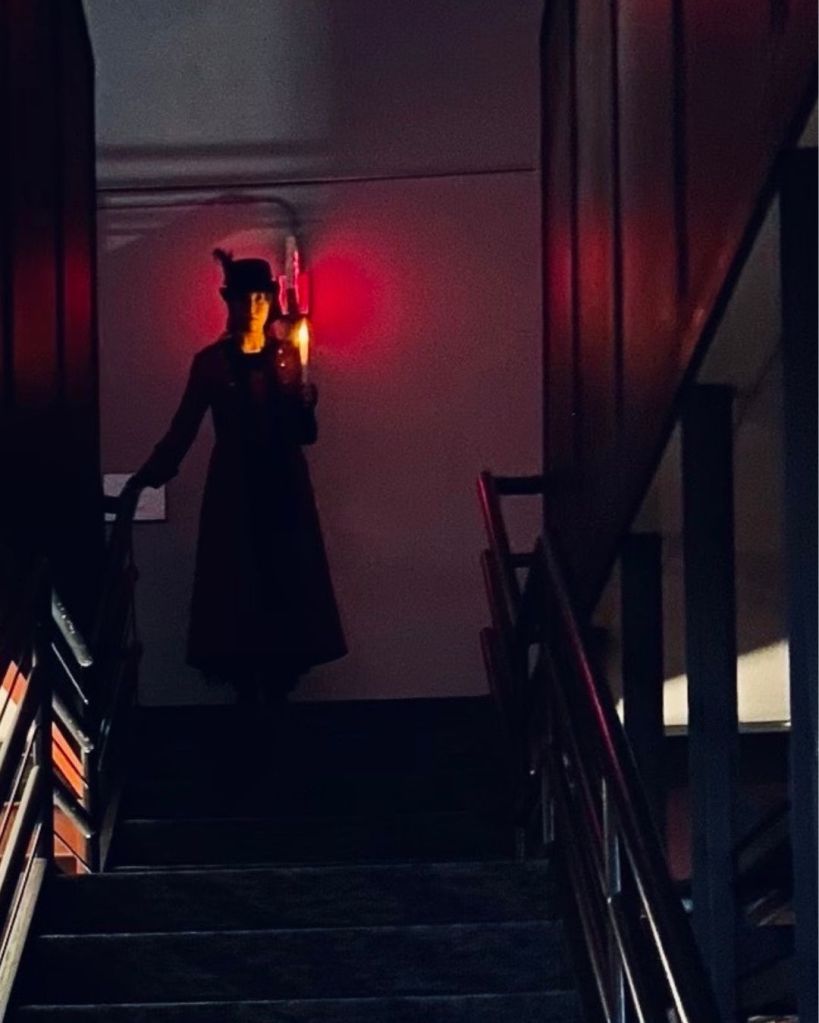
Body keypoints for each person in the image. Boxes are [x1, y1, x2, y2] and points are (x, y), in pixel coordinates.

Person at [128, 249, 346, 703]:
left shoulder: (285, 358)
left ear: (269, 303)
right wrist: (146, 477)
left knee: (283, 585)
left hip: (282, 488)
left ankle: (278, 695)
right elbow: (184, 426)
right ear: (231, 303)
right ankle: (249, 701)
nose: (254, 307)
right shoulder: (212, 363)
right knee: (238, 589)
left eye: (261, 299)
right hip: (236, 491)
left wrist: (305, 403)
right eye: (245, 299)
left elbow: (304, 434)